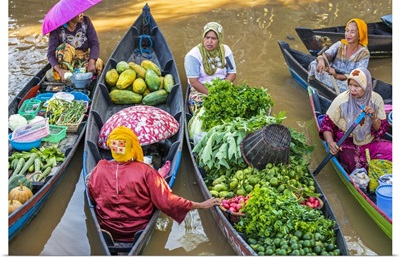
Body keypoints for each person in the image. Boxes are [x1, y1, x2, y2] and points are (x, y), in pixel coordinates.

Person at [87, 126, 221, 243]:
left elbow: (92, 196)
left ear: (112, 148)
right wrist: (200, 205)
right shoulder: (146, 171)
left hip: (109, 229)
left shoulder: (100, 168)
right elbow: (167, 202)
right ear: (133, 147)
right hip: (138, 229)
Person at [319, 67, 391, 173]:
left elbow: (381, 130)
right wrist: (330, 143)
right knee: (356, 167)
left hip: (370, 142)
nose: (352, 89)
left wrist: (374, 116)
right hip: (347, 143)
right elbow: (326, 125)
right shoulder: (341, 100)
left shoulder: (376, 100)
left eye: (356, 86)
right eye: (350, 85)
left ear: (366, 86)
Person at [184, 22, 237, 114]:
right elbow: (193, 81)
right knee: (208, 111)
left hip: (222, 87)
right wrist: (212, 94)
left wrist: (221, 89)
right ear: (203, 37)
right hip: (201, 90)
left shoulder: (226, 51)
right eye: (207, 37)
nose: (209, 41)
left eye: (213, 38)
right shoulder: (193, 56)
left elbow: (232, 73)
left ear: (219, 39)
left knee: (236, 106)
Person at [308, 18, 370, 93]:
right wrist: (321, 60)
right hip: (330, 74)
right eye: (347, 30)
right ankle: (312, 83)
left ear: (360, 35)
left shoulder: (364, 53)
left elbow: (358, 76)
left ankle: (327, 88)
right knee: (314, 64)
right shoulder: (339, 45)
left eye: (352, 32)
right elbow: (326, 56)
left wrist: (337, 76)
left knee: (353, 88)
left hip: (347, 80)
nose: (348, 34)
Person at [46, 13, 104, 81]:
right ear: (68, 16)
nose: (81, 14)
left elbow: (94, 43)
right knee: (65, 47)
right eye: (77, 13)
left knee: (99, 63)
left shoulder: (86, 22)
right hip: (65, 64)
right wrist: (59, 70)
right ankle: (66, 75)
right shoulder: (56, 29)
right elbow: (50, 54)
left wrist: (91, 62)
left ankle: (82, 74)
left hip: (83, 58)